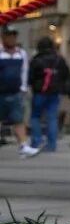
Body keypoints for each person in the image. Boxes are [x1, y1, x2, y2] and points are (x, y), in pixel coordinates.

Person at [26, 37, 70, 153]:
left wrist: (33, 85)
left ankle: (36, 141)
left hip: (39, 92)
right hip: (54, 92)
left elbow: (30, 77)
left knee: (35, 116)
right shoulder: (59, 59)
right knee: (52, 117)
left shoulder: (36, 60)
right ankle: (51, 144)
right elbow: (66, 74)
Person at [0, 27, 33, 157]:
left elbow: (24, 70)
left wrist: (23, 88)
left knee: (18, 119)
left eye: (13, 37)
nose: (11, 39)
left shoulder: (21, 53)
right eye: (9, 36)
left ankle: (24, 145)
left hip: (15, 92)